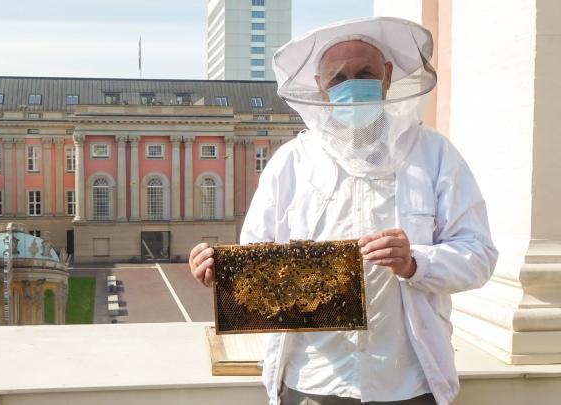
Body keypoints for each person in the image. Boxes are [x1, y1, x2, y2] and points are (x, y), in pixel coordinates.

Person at [188, 16, 497, 405]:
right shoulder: (290, 162)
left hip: (408, 381)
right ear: (320, 88)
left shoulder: (435, 154)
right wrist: (220, 272)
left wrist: (415, 262)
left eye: (364, 73)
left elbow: (479, 255)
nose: (352, 85)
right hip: (313, 378)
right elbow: (256, 257)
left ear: (386, 75)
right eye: (338, 78)